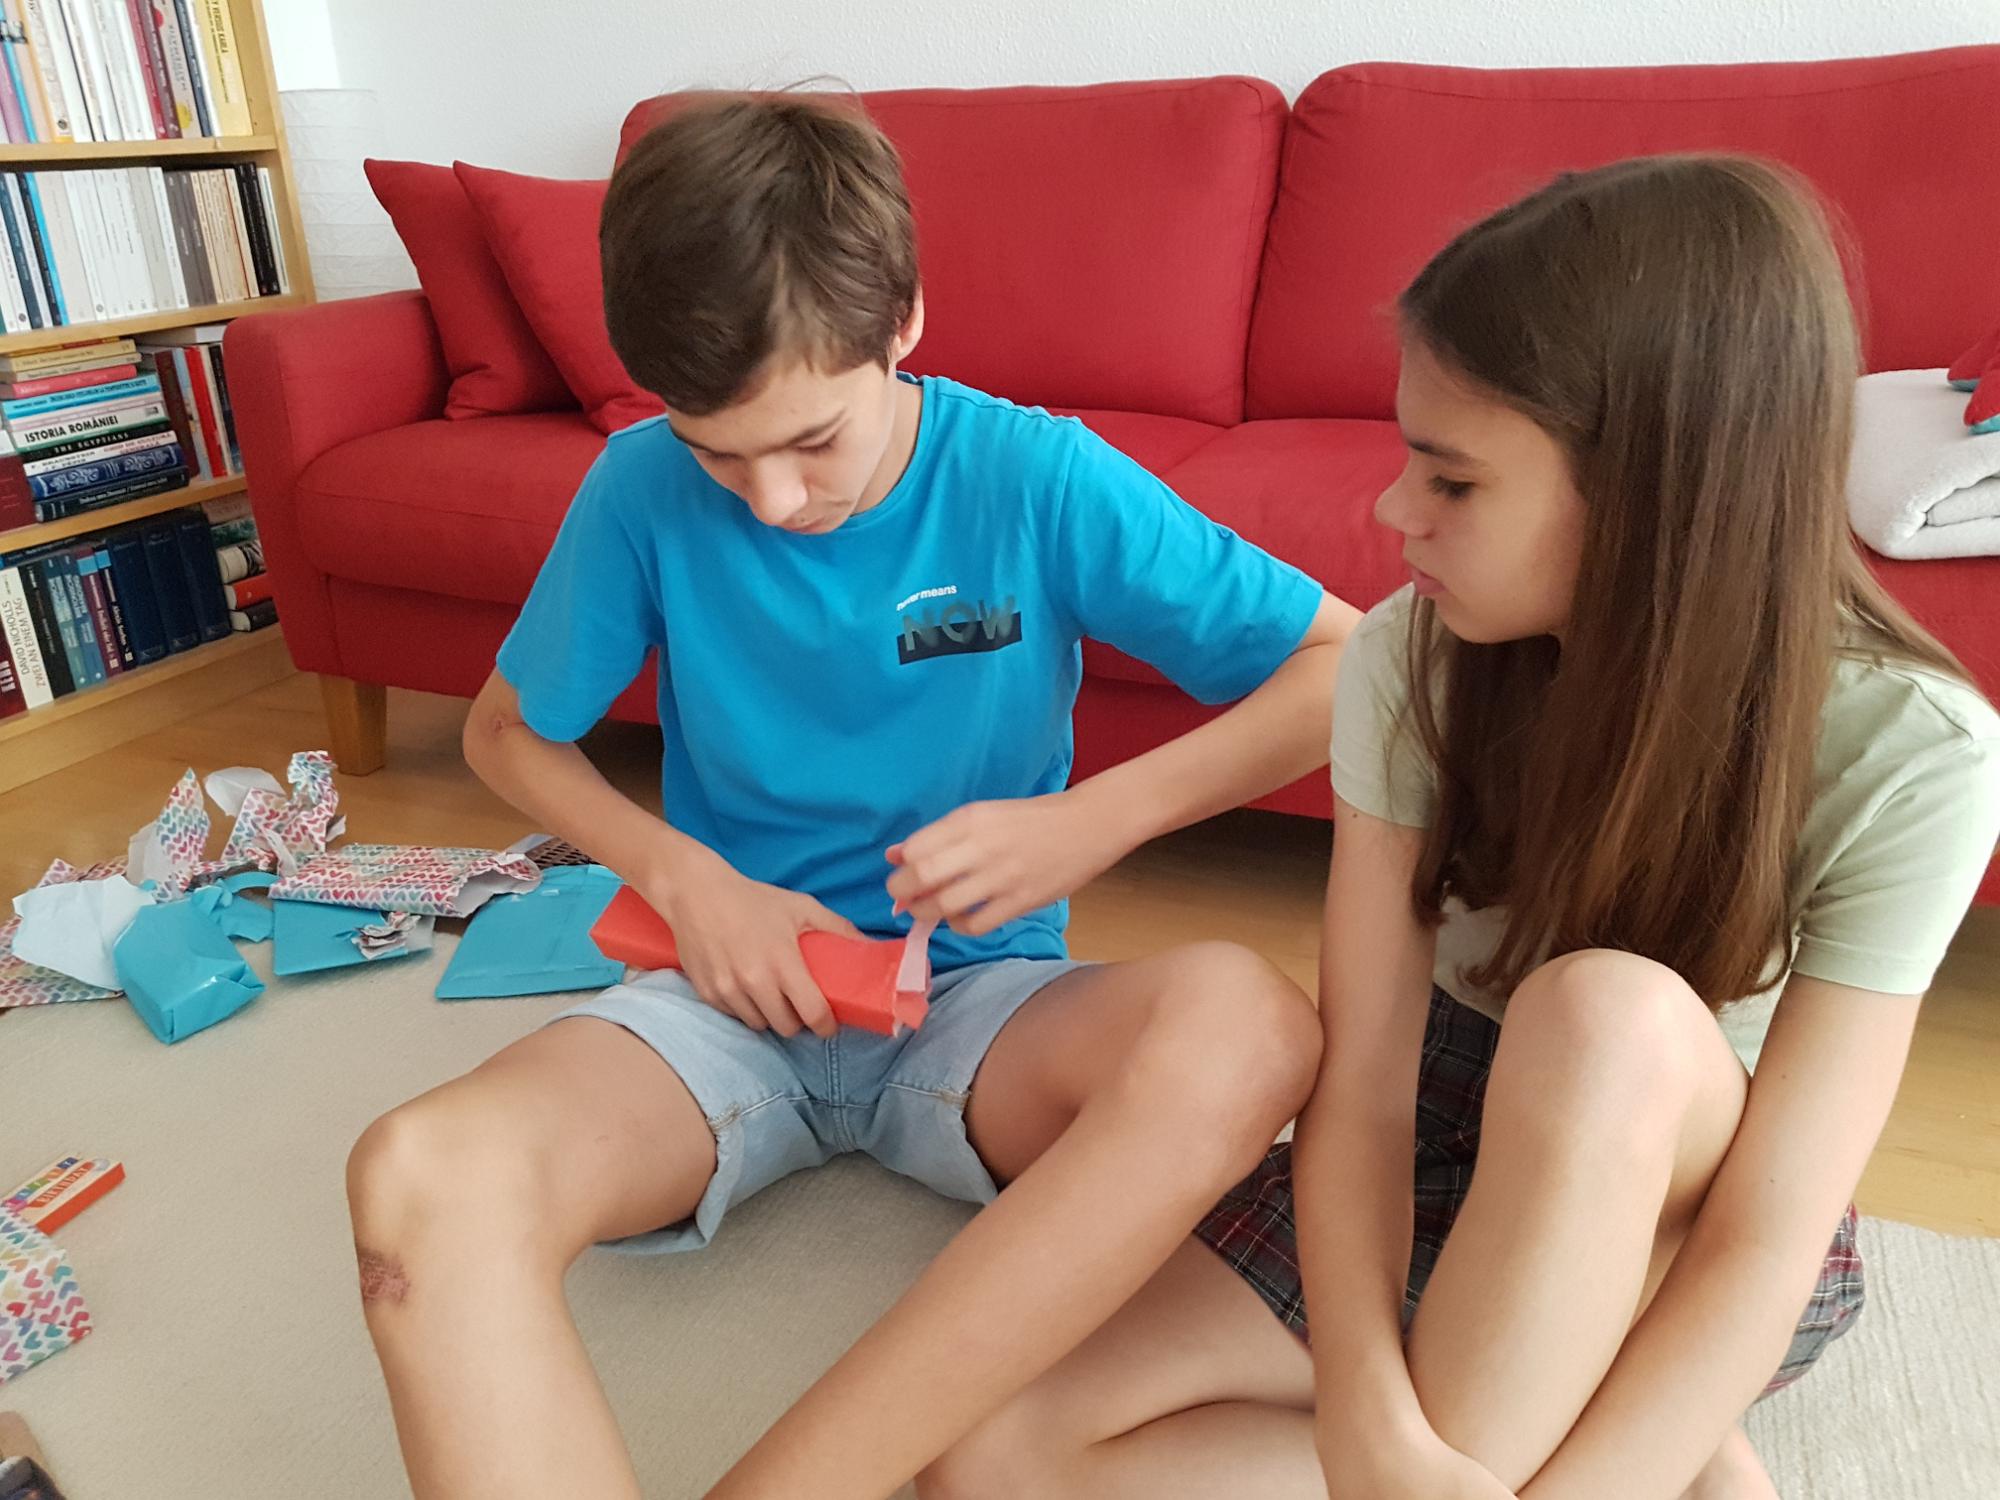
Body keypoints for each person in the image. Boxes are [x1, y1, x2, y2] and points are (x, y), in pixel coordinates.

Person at [917, 154, 2000, 1500]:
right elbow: (1365, 1093)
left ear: (1657, 493)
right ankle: (1626, 1427)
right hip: (1440, 1125)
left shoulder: (1916, 752)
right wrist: (1367, 1414)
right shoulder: (1411, 661)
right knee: (989, 1462)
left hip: (1686, 1186)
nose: (1392, 512)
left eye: (1454, 481)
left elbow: (1767, 1233)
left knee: (1600, 1014)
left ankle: (1613, 1417)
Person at [342, 91, 1358, 1500]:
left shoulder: (1034, 475)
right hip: (717, 1002)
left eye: (813, 441)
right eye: (717, 450)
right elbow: (509, 737)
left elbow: (1346, 665)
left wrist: (1095, 821)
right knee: (417, 1175)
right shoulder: (639, 488)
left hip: (981, 1004)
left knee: (1247, 1027)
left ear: (904, 323)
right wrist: (692, 883)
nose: (768, 498)